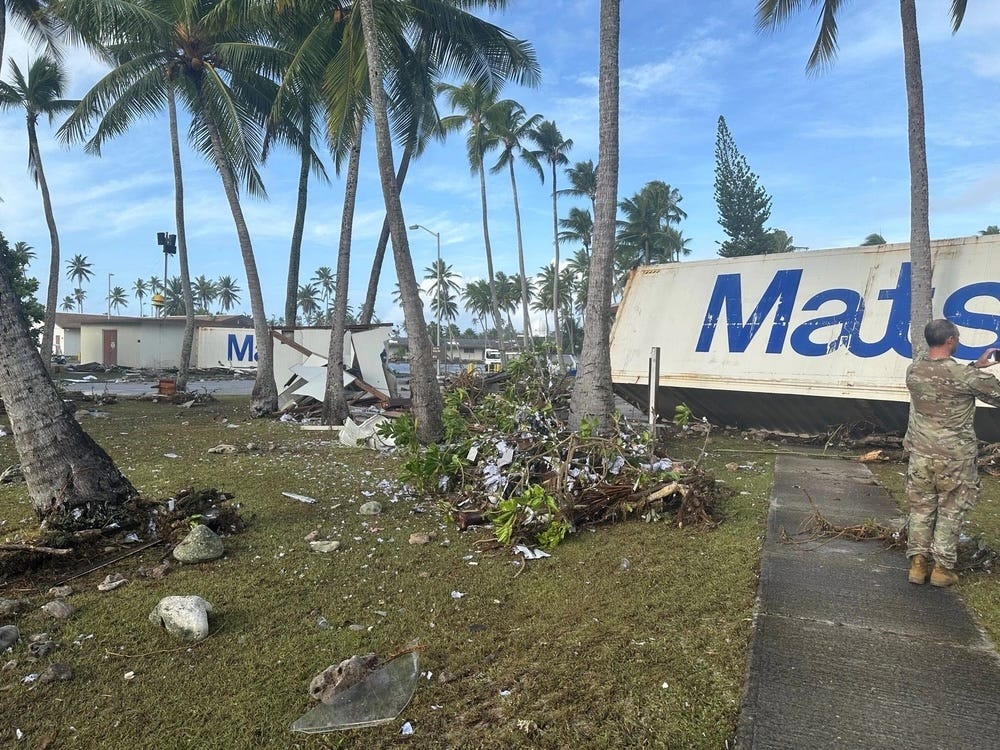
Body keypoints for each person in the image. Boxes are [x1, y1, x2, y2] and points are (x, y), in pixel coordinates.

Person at [905, 319, 1000, 587]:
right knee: (951, 509)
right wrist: (980, 372)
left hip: (921, 455)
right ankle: (942, 569)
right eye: (957, 337)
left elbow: (944, 383)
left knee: (921, 509)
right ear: (950, 340)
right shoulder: (965, 377)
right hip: (954, 458)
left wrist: (975, 367)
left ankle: (917, 565)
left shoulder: (914, 371)